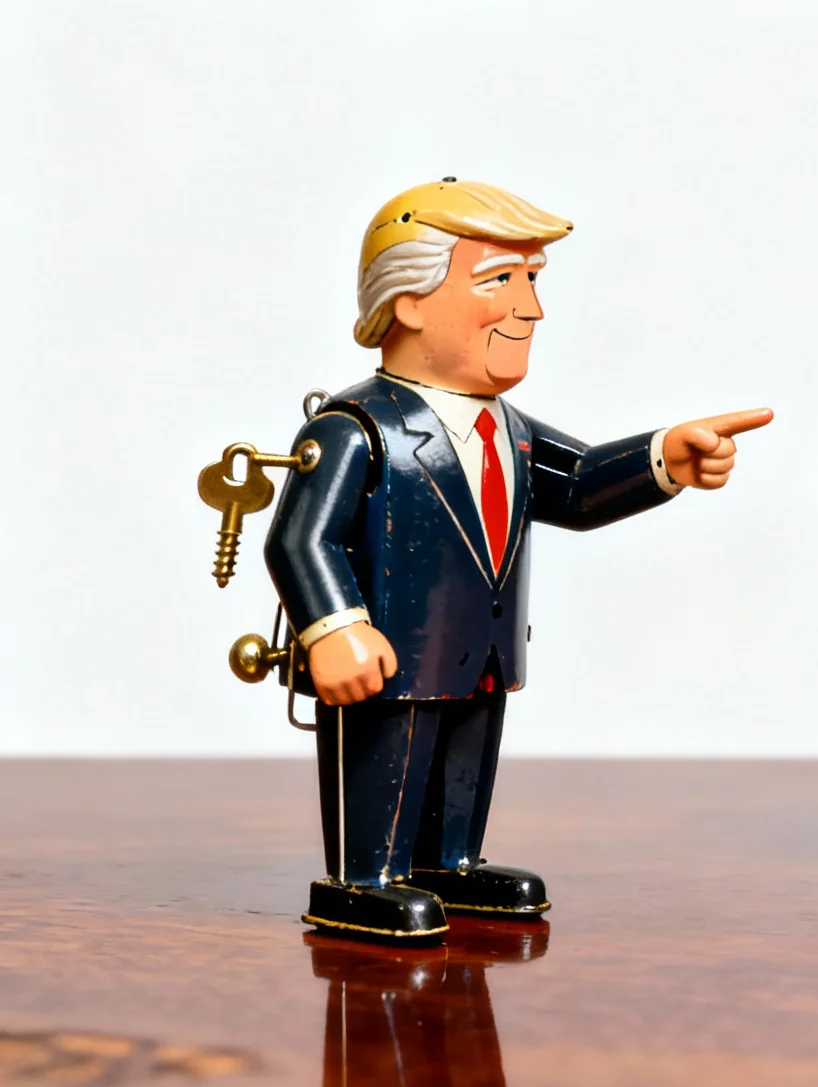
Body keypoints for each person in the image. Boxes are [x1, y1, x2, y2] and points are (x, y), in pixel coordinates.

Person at [265, 177, 772, 940]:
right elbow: (300, 537)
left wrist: (662, 458)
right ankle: (365, 877)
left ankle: (450, 861)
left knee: (467, 765)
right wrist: (333, 625)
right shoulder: (356, 427)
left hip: (482, 650)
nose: (530, 308)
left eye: (532, 280)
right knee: (388, 766)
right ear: (408, 301)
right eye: (500, 279)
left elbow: (578, 486)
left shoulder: (513, 430)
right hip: (387, 656)